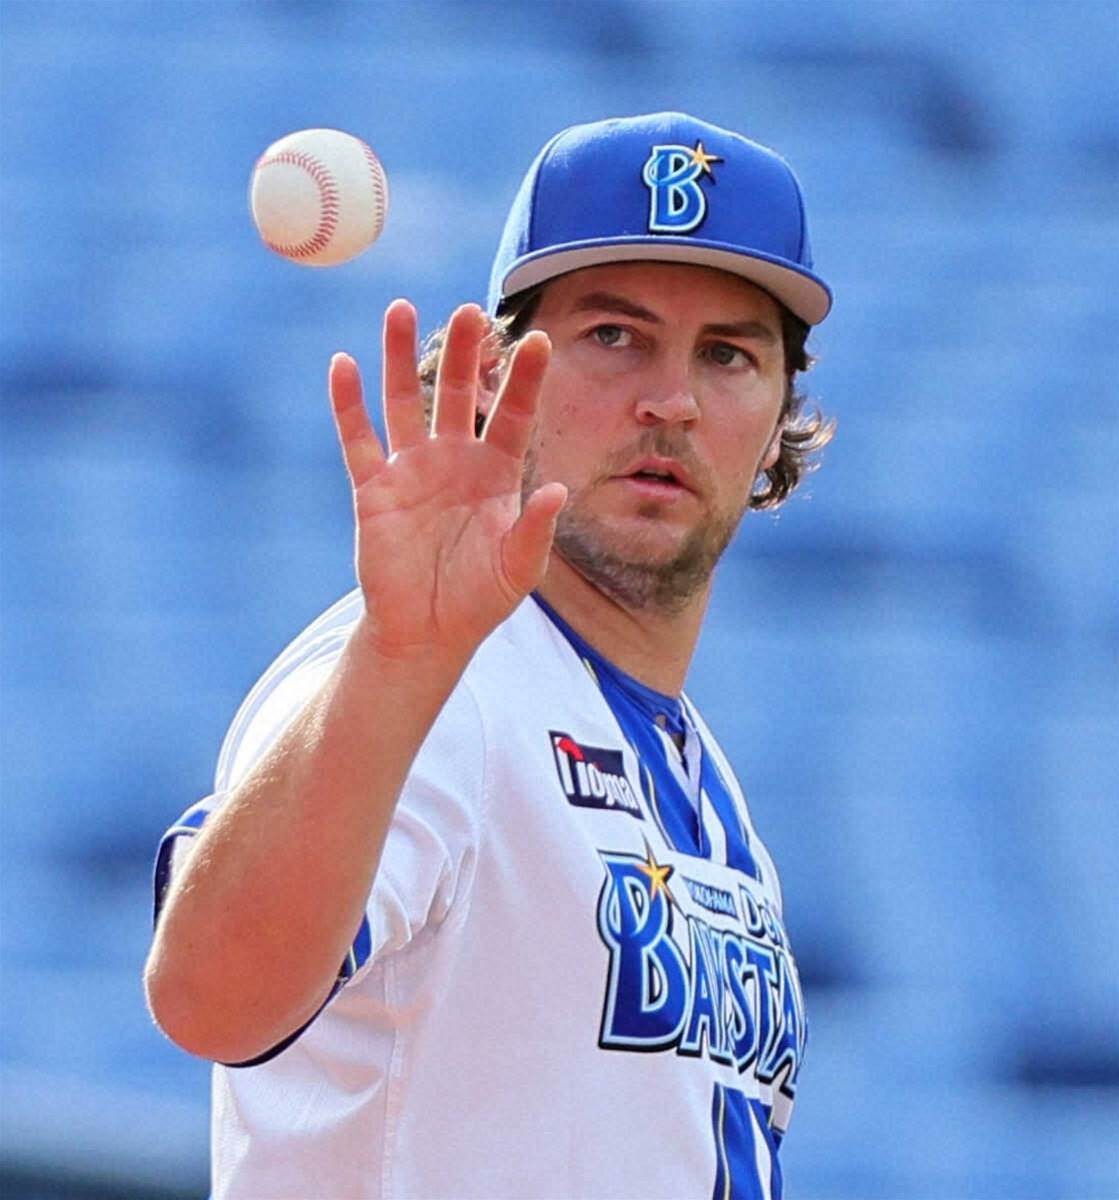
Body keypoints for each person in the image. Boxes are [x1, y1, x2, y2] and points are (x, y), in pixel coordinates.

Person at [144, 111, 834, 1200]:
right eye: (613, 336)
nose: (671, 399)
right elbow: (211, 999)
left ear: (779, 412)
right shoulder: (440, 686)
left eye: (727, 354)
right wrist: (397, 660)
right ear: (497, 373)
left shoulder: (706, 783)